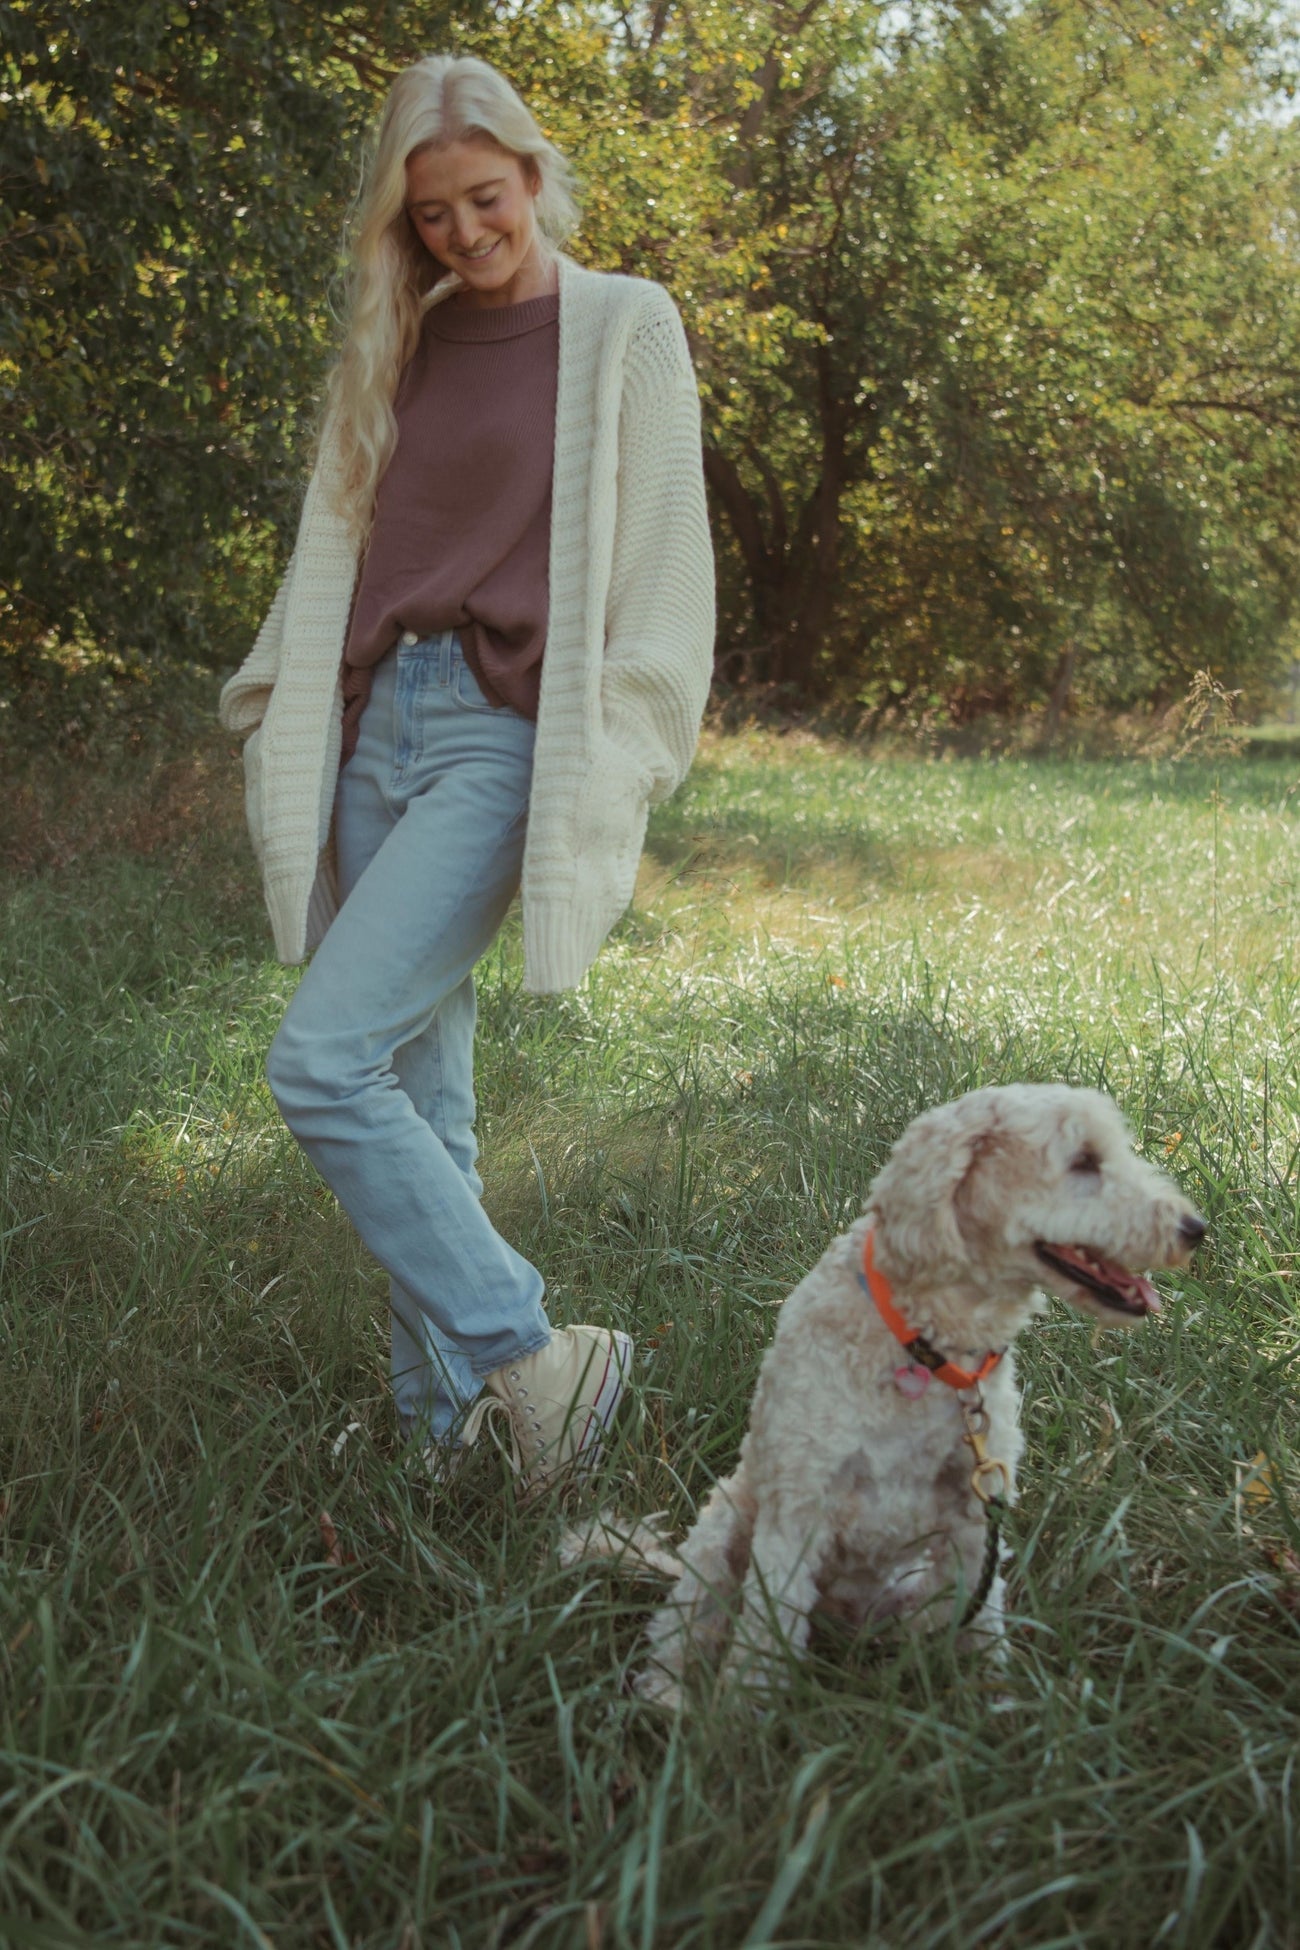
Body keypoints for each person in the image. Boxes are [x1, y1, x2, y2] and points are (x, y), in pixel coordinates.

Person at [218, 52, 715, 1498]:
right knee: (415, 1099)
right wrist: (279, 699)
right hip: (376, 723)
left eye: (485, 198)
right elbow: (337, 545)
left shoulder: (624, 325)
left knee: (320, 1063)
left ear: (535, 176)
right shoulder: (404, 334)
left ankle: (535, 1355)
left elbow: (665, 573)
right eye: (430, 214)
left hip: (503, 730)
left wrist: (620, 753)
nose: (463, 233)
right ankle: (449, 1442)